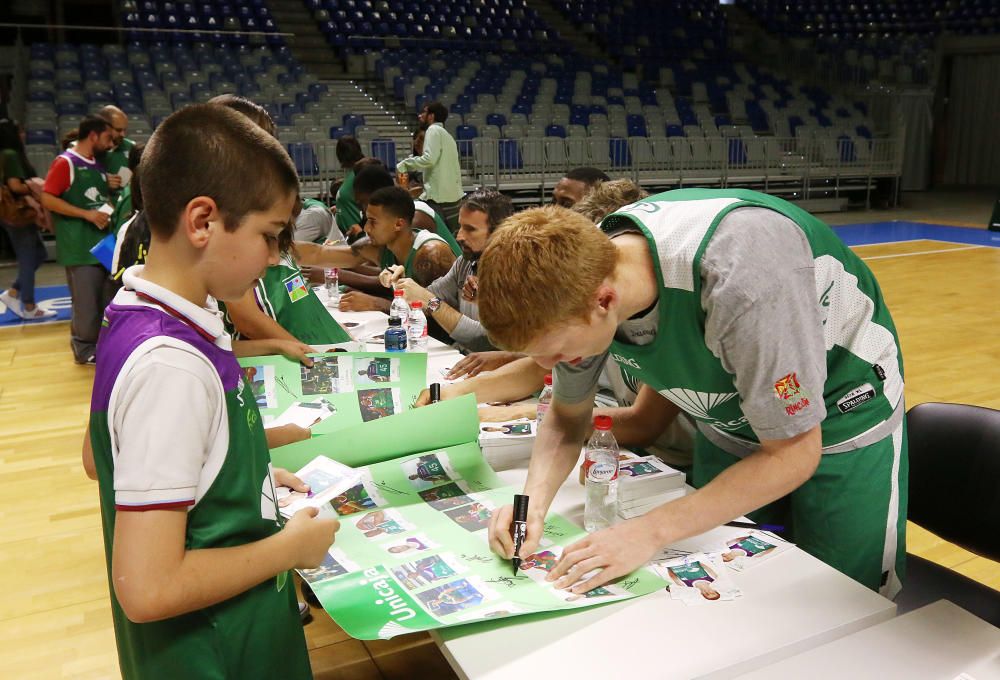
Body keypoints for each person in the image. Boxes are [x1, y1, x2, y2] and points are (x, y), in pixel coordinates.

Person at [481, 189, 907, 599]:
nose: (546, 366)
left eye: (556, 352)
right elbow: (568, 417)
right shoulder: (579, 281)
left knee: (841, 594)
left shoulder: (741, 277)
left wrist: (649, 530)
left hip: (844, 406)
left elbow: (794, 451)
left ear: (605, 301)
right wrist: (530, 506)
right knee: (735, 580)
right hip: (733, 415)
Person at [84, 104, 339, 678]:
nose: (275, 257)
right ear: (202, 220)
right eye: (269, 237)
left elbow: (99, 458)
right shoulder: (171, 365)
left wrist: (240, 479)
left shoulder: (137, 309)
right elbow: (148, 589)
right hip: (215, 652)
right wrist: (291, 549)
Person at [295, 186, 454, 312]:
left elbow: (438, 313)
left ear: (398, 224)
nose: (366, 228)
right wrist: (276, 248)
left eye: (373, 221)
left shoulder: (431, 254)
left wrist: (377, 303)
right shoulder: (379, 246)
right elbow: (319, 254)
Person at [392, 188, 514, 353]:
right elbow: (423, 298)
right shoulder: (465, 262)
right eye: (460, 227)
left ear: (499, 232)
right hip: (463, 358)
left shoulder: (515, 274)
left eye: (470, 229)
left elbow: (488, 341)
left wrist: (431, 301)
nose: (459, 237)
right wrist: (399, 284)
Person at [41, 114, 116, 364]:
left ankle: (98, 345)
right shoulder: (66, 162)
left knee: (102, 300)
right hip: (79, 245)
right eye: (106, 137)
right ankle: (83, 349)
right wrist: (87, 214)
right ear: (93, 135)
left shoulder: (97, 162)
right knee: (85, 303)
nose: (109, 143)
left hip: (101, 244)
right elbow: (47, 198)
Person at [0, 118, 56, 320]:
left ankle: (13, 293)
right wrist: (35, 186)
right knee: (28, 258)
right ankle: (29, 306)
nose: (23, 134)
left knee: (39, 253)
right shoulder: (10, 155)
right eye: (19, 131)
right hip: (18, 214)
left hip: (10, 215)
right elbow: (15, 186)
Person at [395, 101, 464, 233]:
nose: (420, 116)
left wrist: (405, 164)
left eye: (424, 113)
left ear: (431, 116)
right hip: (453, 198)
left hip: (438, 199)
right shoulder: (447, 135)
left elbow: (429, 159)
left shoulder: (432, 130)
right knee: (454, 239)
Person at [96, 105, 134, 200]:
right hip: (96, 208)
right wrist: (102, 182)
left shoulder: (132, 147)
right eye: (118, 130)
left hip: (126, 209)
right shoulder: (86, 149)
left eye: (124, 130)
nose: (123, 134)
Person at [334, 136, 365, 241]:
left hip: (359, 236)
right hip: (350, 237)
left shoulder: (360, 173)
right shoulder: (351, 173)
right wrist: (338, 207)